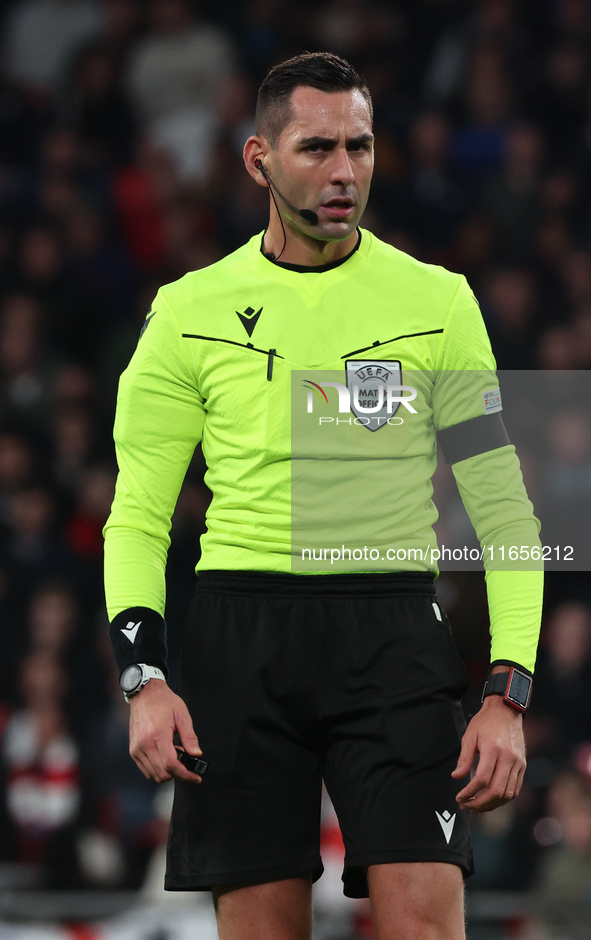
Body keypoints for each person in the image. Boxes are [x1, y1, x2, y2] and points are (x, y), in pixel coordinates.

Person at [103, 52, 543, 940]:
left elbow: (504, 509)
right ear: (258, 159)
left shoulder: (437, 301)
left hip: (388, 634)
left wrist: (508, 691)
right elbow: (140, 515)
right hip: (241, 636)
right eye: (316, 148)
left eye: (360, 146)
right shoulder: (188, 310)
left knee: (424, 928)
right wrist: (143, 678)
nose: (344, 172)